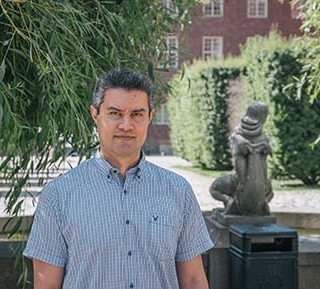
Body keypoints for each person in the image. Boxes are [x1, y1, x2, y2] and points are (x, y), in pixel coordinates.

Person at [23, 67, 213, 289]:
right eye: (115, 113)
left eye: (137, 114)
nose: (126, 125)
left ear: (150, 117)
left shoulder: (179, 192)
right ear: (95, 115)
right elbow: (46, 286)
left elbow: (193, 280)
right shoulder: (58, 196)